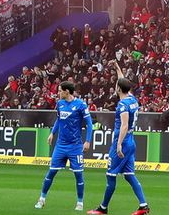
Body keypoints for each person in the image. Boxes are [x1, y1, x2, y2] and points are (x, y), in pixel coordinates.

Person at [89, 64, 150, 215]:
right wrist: (117, 67)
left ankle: (103, 208)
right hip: (131, 140)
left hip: (122, 141)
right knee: (129, 176)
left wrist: (118, 145)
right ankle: (143, 205)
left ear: (118, 89)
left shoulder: (122, 105)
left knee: (110, 176)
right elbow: (123, 81)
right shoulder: (132, 99)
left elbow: (123, 125)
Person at [36, 81, 93, 211]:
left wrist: (88, 141)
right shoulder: (60, 104)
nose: (58, 93)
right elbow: (58, 119)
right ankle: (42, 199)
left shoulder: (81, 104)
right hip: (60, 145)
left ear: (67, 91)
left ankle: (80, 203)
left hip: (75, 146)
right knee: (51, 172)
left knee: (78, 175)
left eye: (60, 90)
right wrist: (52, 133)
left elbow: (89, 124)